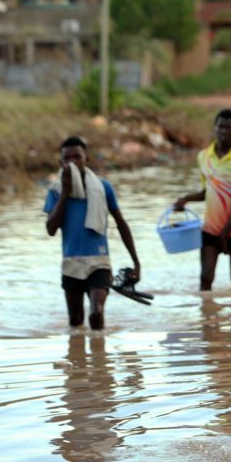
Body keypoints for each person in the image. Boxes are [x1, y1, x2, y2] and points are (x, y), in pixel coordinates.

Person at [45, 136, 141, 330]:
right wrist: (65, 193)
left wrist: (136, 262)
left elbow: (121, 224)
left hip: (99, 262)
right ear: (61, 163)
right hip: (71, 263)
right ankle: (79, 360)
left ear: (86, 159)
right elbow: (51, 229)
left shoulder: (103, 188)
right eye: (68, 158)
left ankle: (99, 359)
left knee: (96, 313)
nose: (73, 162)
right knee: (75, 322)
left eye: (77, 157)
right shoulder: (55, 192)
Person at [174, 109, 231, 291]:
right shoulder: (204, 157)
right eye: (221, 126)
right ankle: (206, 318)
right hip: (211, 228)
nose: (224, 131)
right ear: (215, 128)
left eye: (229, 127)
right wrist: (185, 199)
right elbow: (207, 192)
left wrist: (225, 233)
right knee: (205, 278)